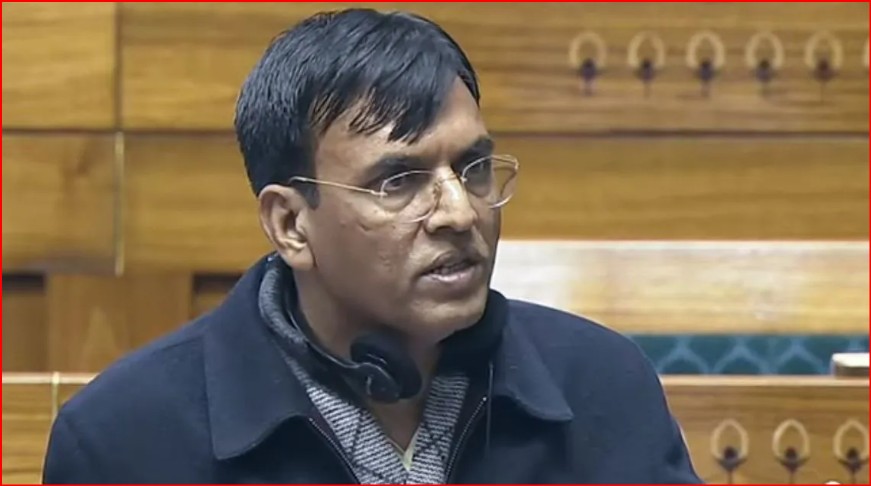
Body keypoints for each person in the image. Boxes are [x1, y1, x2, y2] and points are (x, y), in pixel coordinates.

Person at [43, 8, 701, 484]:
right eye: (398, 181)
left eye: (473, 168)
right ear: (290, 224)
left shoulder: (599, 384)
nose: (458, 212)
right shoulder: (126, 438)